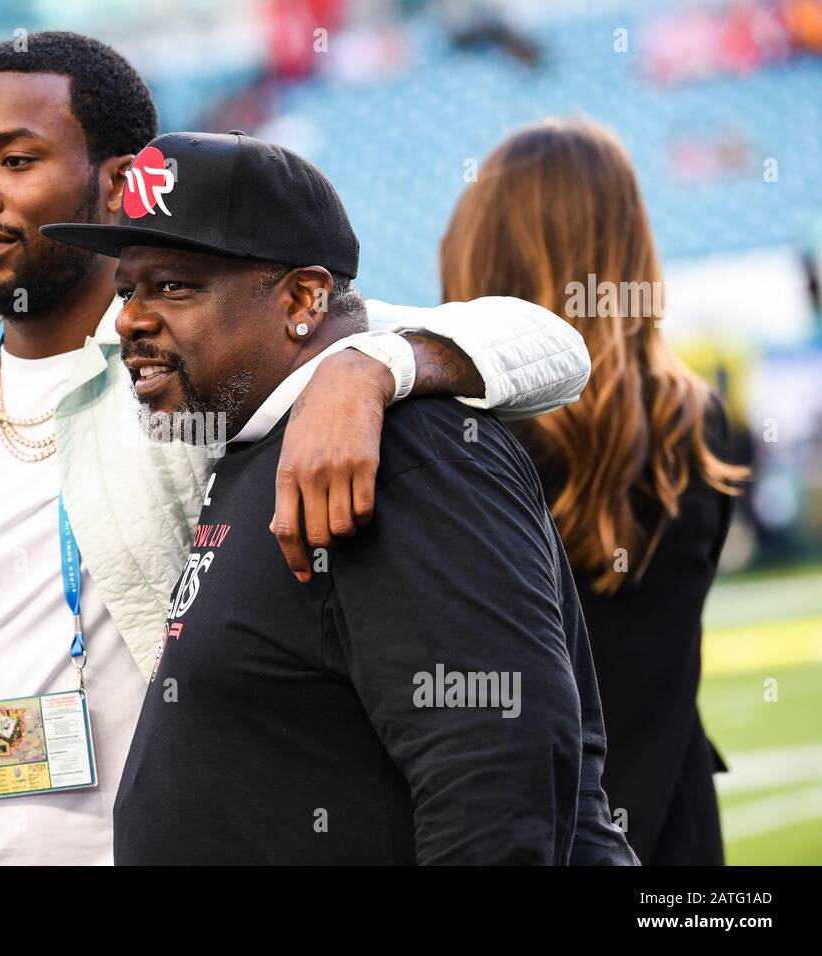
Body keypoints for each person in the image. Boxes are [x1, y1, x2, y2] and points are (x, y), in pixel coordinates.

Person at [0, 31, 591, 866]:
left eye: (14, 161)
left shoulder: (191, 368)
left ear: (115, 184)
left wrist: (373, 365)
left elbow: (546, 344)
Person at [45, 129, 636, 865]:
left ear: (302, 298)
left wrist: (372, 368)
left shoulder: (400, 448)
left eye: (172, 286)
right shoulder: (251, 438)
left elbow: (495, 760)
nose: (129, 318)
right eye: (127, 288)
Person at [438, 118, 750, 865]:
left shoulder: (455, 437)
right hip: (674, 826)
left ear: (480, 246)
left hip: (529, 830)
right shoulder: (698, 423)